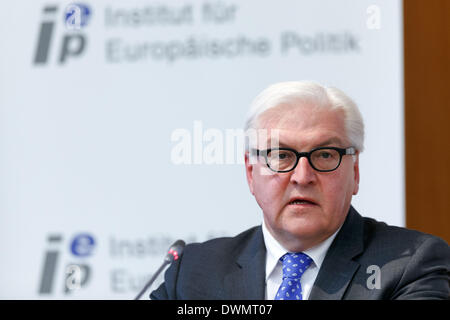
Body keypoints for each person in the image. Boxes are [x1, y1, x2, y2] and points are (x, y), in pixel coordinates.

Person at [151, 81, 450, 300]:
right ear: (250, 173)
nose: (302, 176)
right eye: (281, 156)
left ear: (355, 172)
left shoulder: (410, 266)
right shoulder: (193, 273)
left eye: (324, 155)